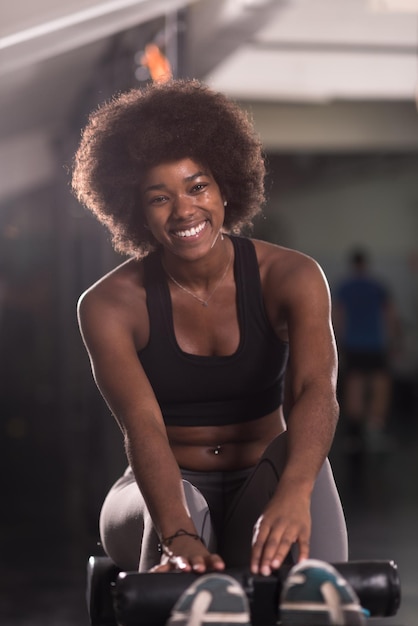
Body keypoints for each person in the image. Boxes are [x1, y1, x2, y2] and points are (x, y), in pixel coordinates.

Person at [72, 79, 347, 578]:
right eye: (159, 198)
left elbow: (315, 391)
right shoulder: (109, 304)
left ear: (225, 187)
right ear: (136, 209)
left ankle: (310, 586)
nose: (183, 210)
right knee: (185, 525)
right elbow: (143, 425)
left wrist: (293, 492)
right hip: (157, 488)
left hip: (260, 479)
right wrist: (177, 536)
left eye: (197, 187)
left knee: (309, 552)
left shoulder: (292, 276)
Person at [333, 249, 400, 452]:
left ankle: (355, 435)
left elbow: (337, 317)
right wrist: (395, 340)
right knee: (380, 384)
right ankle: (375, 428)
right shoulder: (377, 286)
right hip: (375, 344)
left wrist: (338, 341)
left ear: (352, 264)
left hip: (353, 344)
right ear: (366, 264)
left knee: (355, 384)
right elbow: (390, 315)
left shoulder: (345, 286)